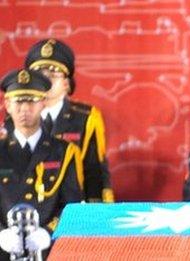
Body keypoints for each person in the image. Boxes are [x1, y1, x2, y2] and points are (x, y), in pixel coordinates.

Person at [0, 69, 83, 260]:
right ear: (7, 105)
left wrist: (47, 231)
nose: (25, 109)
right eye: (19, 101)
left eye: (31, 101)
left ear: (43, 103)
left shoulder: (64, 152)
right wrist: (1, 234)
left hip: (51, 249)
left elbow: (72, 206)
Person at [20, 38, 113, 202]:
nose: (45, 82)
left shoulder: (85, 118)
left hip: (72, 209)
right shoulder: (15, 118)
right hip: (28, 209)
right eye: (39, 75)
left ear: (66, 83)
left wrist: (96, 217)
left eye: (52, 75)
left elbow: (94, 174)